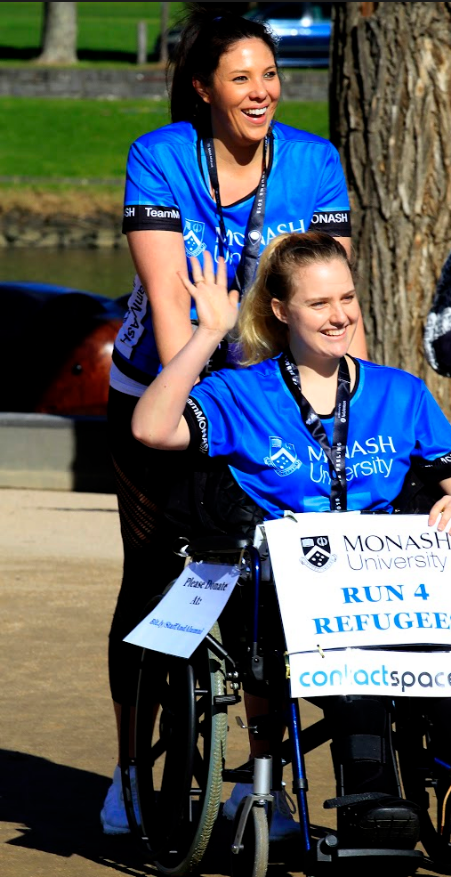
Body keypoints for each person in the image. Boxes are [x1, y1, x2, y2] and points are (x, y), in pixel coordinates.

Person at [131, 230, 451, 846]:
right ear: (281, 310)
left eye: (346, 298)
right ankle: (370, 794)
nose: (339, 315)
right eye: (319, 304)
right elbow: (152, 429)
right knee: (352, 657)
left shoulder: (400, 392)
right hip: (294, 590)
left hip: (393, 580)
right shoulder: (241, 393)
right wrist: (209, 332)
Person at [102, 6, 368, 836]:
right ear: (202, 88)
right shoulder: (160, 157)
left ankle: (262, 781)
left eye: (271, 75)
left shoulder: (315, 164)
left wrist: (346, 407)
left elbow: (333, 303)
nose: (261, 92)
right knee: (152, 580)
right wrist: (218, 405)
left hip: (270, 399)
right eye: (241, 77)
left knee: (265, 596)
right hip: (165, 383)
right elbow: (173, 312)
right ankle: (128, 772)